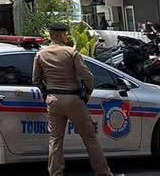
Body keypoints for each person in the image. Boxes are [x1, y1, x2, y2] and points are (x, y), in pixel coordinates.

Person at [33, 23, 112, 176]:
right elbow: (87, 76)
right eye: (65, 34)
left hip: (54, 100)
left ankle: (56, 173)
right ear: (62, 35)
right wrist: (87, 93)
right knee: (90, 138)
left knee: (55, 140)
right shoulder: (71, 52)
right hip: (73, 99)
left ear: (50, 35)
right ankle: (103, 172)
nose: (67, 37)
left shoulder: (41, 54)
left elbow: (36, 79)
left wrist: (47, 93)